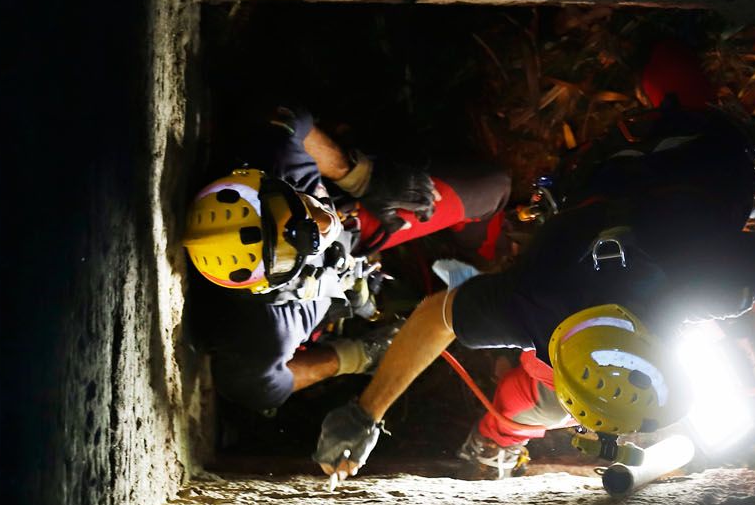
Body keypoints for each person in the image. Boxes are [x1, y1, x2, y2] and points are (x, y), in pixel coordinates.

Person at [312, 57, 755, 480]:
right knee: (527, 400)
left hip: (669, 165)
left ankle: (666, 73)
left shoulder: (698, 283)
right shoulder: (547, 303)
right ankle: (496, 442)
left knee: (676, 89)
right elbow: (436, 316)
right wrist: (365, 413)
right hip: (644, 172)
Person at [183, 107, 511, 413]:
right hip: (344, 272)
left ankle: (486, 261)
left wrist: (359, 175)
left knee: (492, 187)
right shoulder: (262, 334)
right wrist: (352, 356)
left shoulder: (272, 160)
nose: (323, 223)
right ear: (267, 286)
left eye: (299, 206)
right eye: (302, 241)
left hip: (356, 222)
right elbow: (258, 390)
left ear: (260, 181)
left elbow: (289, 117)